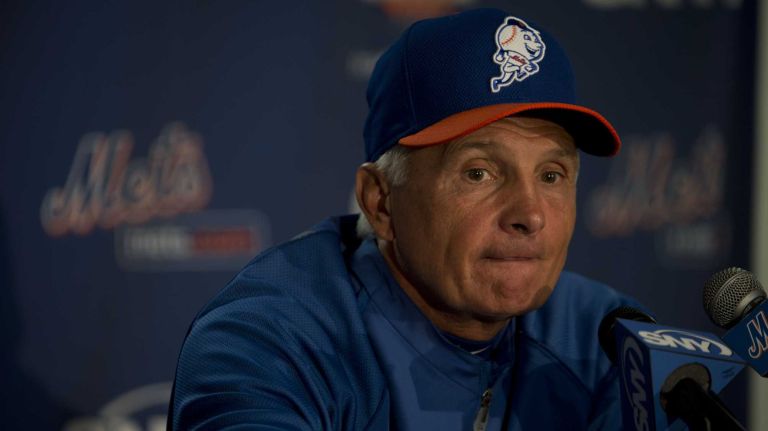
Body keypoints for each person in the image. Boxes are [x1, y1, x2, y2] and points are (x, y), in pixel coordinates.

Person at [169, 8, 643, 430]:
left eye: (552, 175)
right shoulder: (272, 337)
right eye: (479, 172)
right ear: (380, 202)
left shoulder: (604, 336)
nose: (531, 214)